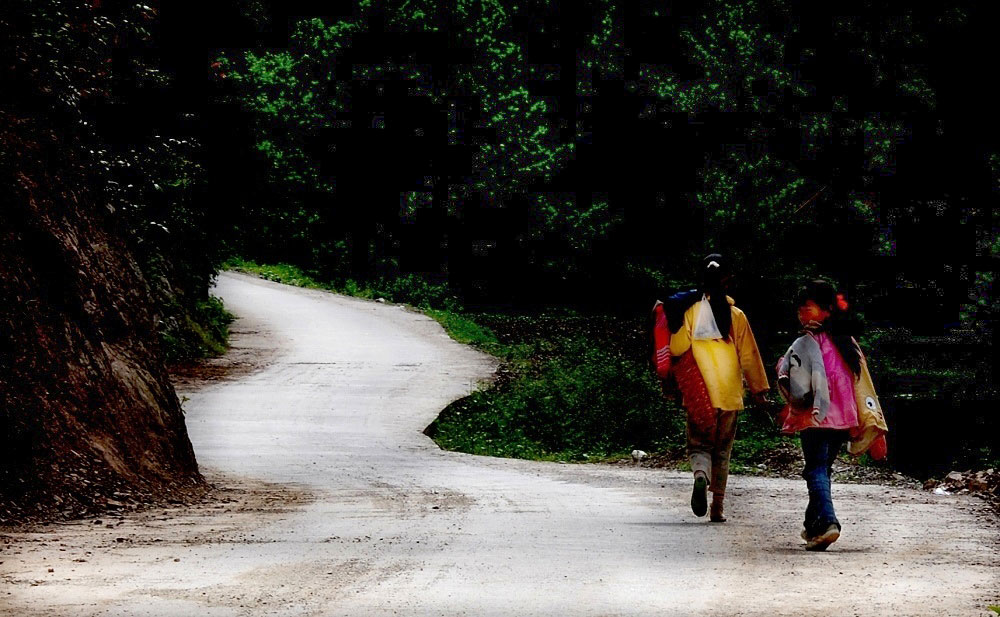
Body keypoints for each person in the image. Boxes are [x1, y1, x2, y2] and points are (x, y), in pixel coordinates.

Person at [668, 254, 770, 522]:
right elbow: (748, 355)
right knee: (723, 450)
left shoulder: (691, 312)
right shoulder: (736, 316)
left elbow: (677, 348)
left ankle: (701, 475)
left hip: (700, 392)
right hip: (729, 394)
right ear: (728, 281)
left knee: (699, 445)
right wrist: (759, 389)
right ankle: (718, 507)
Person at [776, 279, 866, 551]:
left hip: (815, 417)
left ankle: (828, 522)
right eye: (800, 309)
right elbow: (862, 384)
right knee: (822, 470)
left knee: (815, 468)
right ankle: (813, 526)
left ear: (826, 310)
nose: (802, 313)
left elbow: (786, 374)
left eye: (808, 308)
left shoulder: (805, 343)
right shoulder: (848, 344)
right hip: (842, 418)